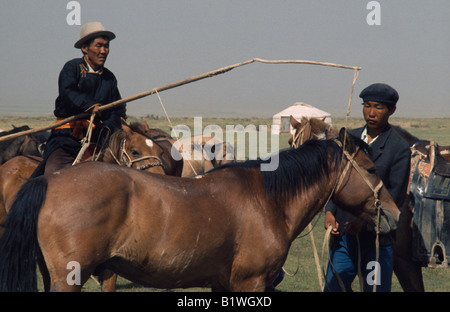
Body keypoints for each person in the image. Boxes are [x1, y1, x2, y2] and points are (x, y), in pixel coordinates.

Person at [323, 83, 411, 292]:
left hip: (377, 241)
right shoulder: (347, 138)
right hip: (343, 237)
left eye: (378, 107)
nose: (371, 113)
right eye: (367, 106)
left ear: (391, 110)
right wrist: (329, 211)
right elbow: (335, 181)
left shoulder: (398, 148)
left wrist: (364, 223)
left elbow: (395, 196)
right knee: (333, 288)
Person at [35, 22, 126, 176]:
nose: (103, 51)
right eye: (98, 46)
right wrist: (91, 106)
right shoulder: (72, 68)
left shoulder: (110, 78)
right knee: (52, 178)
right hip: (66, 138)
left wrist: (108, 127)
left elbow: (117, 110)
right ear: (85, 48)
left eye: (106, 46)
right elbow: (68, 92)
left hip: (97, 141)